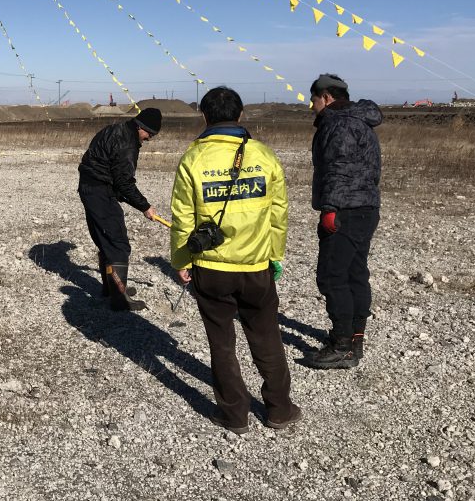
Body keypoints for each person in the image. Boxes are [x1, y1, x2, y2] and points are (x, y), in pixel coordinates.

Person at [170, 86, 300, 433]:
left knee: (221, 342)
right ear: (240, 116)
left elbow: (183, 216)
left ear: (205, 116)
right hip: (256, 266)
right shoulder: (263, 155)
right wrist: (276, 256)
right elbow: (278, 213)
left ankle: (234, 414)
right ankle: (279, 409)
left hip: (211, 268)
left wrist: (181, 260)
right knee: (267, 337)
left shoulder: (193, 159)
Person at [308, 73, 382, 370]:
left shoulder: (339, 123)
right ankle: (355, 339)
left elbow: (338, 167)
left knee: (332, 276)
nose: (311, 106)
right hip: (365, 207)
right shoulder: (361, 120)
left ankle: (342, 345)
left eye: (313, 99)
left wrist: (329, 209)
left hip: (344, 210)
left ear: (325, 97)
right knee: (354, 273)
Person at [77, 107, 161, 312]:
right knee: (118, 244)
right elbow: (124, 183)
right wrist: (145, 206)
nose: (149, 138)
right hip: (99, 191)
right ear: (141, 127)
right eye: (150, 133)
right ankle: (119, 299)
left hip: (89, 187)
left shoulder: (114, 129)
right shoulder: (127, 144)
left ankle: (113, 290)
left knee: (106, 241)